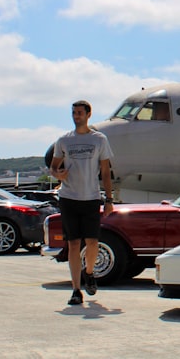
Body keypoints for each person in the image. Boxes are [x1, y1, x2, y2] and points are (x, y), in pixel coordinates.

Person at [50, 100, 115, 305]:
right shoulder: (64, 140)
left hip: (91, 197)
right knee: (73, 243)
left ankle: (89, 272)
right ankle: (76, 290)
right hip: (69, 197)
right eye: (74, 113)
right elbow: (53, 167)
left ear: (88, 115)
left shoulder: (99, 140)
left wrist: (109, 200)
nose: (76, 116)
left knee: (93, 242)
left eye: (79, 113)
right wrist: (57, 174)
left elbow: (105, 171)